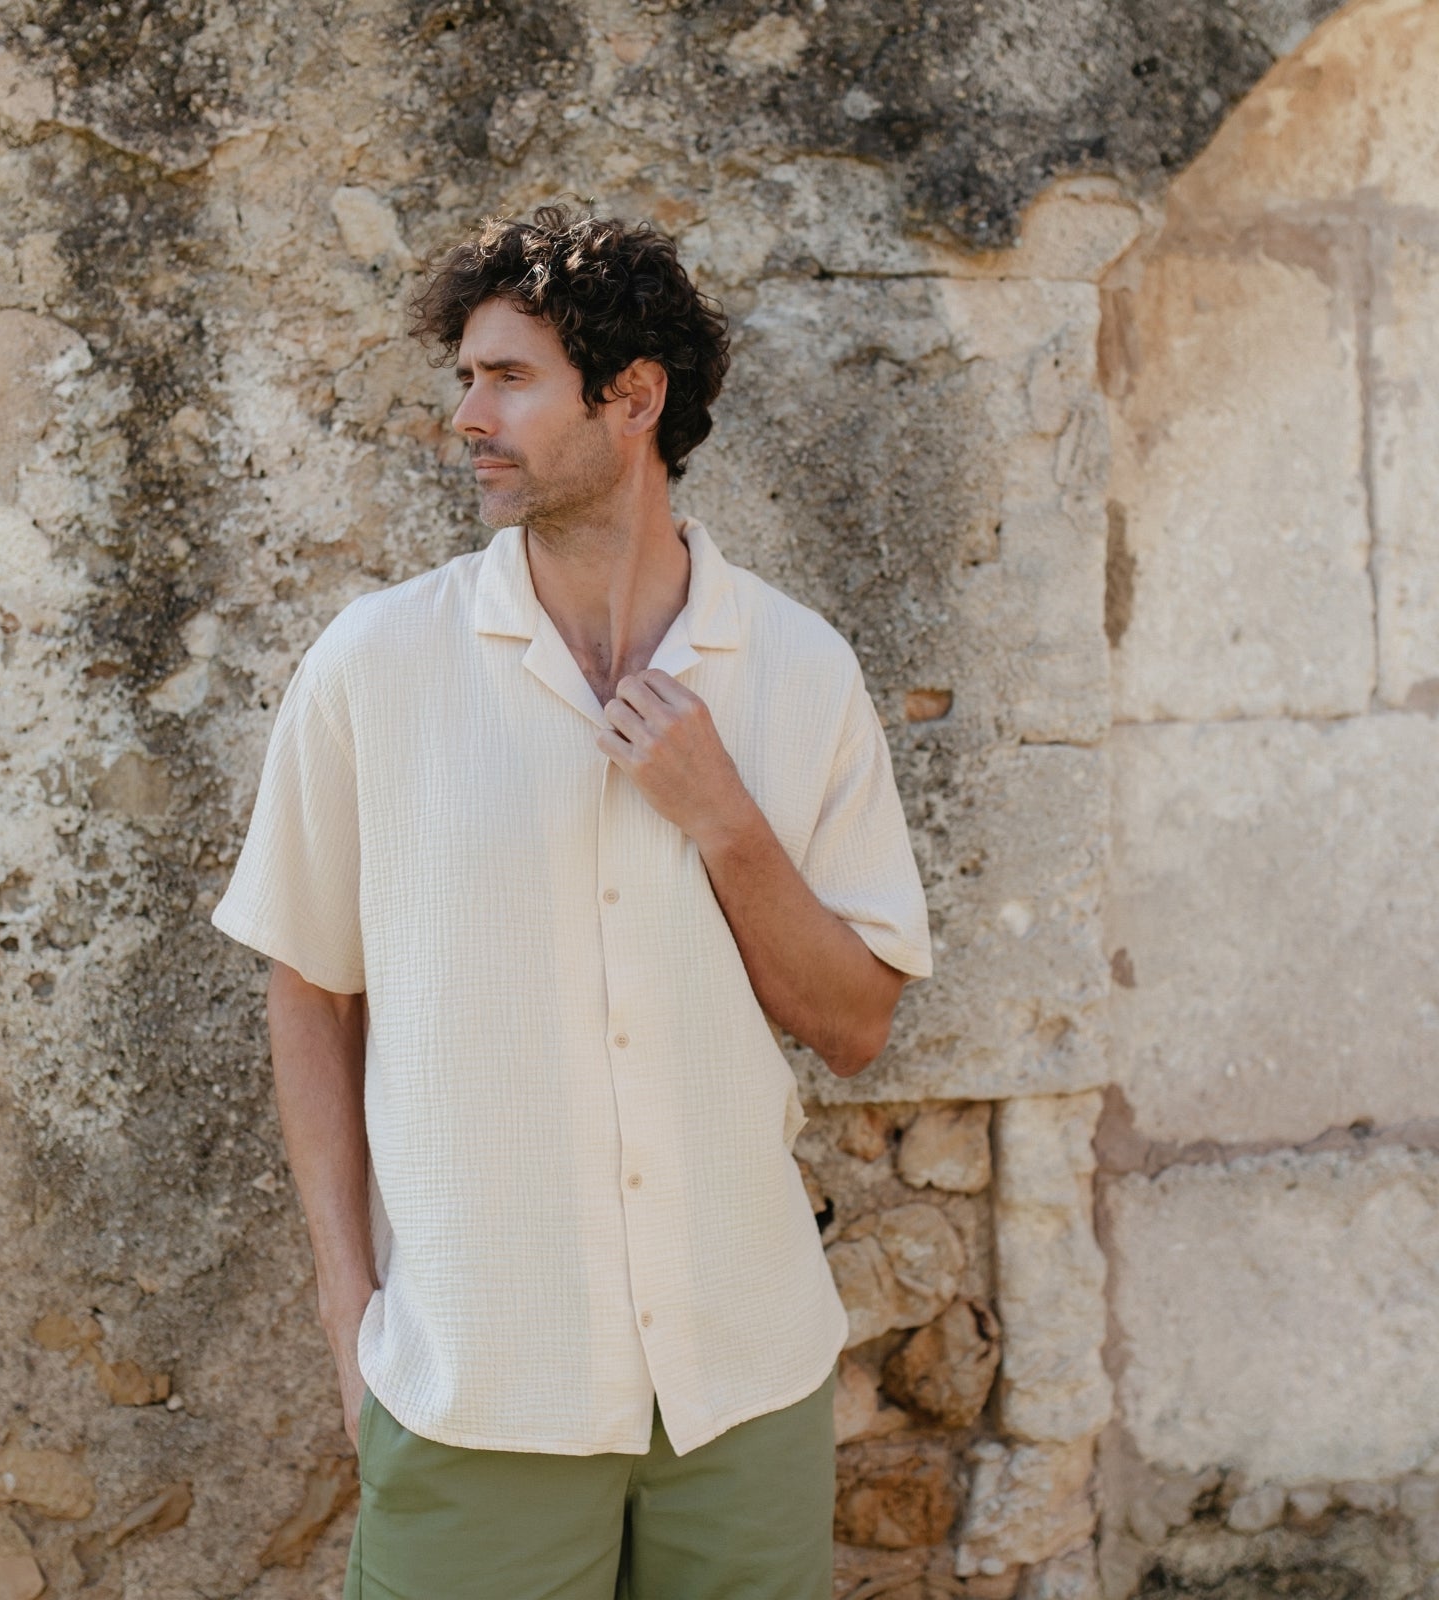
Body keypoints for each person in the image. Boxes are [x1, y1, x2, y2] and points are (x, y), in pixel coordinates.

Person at [211, 203, 934, 1600]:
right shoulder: (376, 666)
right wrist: (347, 1308)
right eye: (466, 378)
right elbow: (311, 987)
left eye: (510, 378)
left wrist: (723, 818)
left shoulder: (800, 672)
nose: (467, 418)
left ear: (634, 398)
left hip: (744, 1384)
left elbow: (854, 1026)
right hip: (484, 1386)